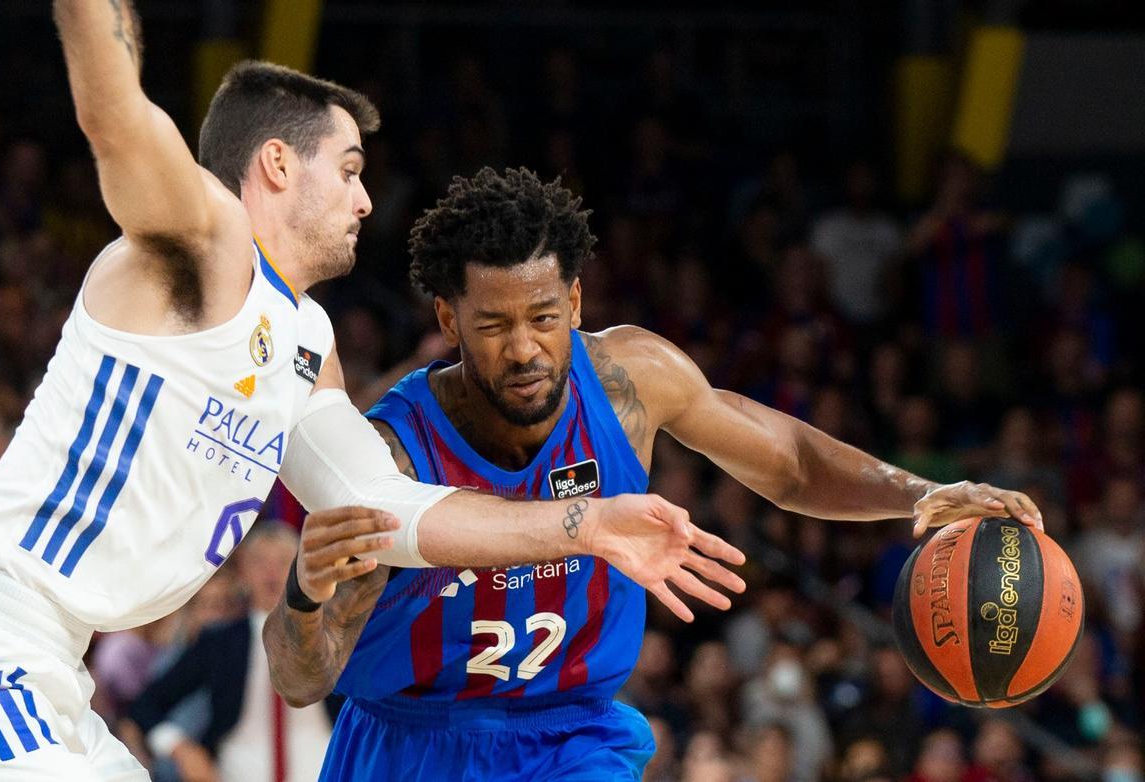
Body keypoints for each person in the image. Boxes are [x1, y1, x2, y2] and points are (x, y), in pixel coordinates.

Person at [0, 4, 745, 779]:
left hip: (54, 665)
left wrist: (588, 523)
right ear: (278, 163)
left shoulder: (304, 338)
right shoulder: (206, 240)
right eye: (350, 169)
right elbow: (116, 116)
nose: (366, 198)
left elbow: (388, 508)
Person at [263, 167, 1046, 781]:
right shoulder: (390, 456)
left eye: (543, 317)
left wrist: (921, 492)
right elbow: (304, 678)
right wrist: (303, 595)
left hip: (570, 737)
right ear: (448, 320)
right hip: (409, 745)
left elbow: (793, 464)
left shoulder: (628, 381)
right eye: (494, 325)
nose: (525, 349)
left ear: (576, 300)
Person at [128, 522, 333, 781]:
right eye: (259, 562)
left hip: (324, 769)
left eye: (284, 561)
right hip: (236, 772)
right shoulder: (219, 641)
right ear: (242, 571)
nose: (272, 572)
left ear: (303, 569)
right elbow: (146, 705)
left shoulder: (332, 635)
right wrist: (180, 748)